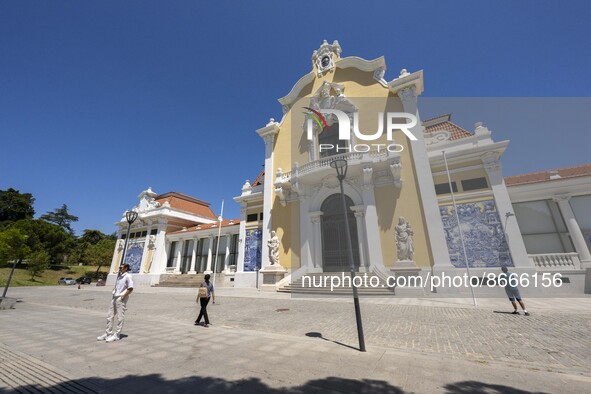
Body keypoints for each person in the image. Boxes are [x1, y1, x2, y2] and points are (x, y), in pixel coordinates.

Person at [97, 263, 134, 342]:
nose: (119, 269)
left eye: (121, 267)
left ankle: (117, 335)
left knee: (120, 317)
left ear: (126, 268)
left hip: (121, 298)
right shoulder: (119, 276)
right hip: (115, 297)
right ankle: (108, 333)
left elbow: (130, 288)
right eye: (119, 267)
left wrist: (123, 296)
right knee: (109, 316)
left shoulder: (128, 276)